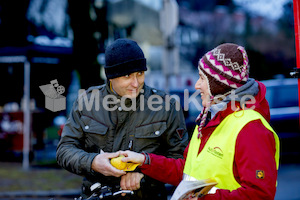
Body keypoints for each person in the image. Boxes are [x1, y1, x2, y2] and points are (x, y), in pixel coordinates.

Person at [119, 43, 280, 199]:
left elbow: (259, 195)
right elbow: (186, 171)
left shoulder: (251, 129)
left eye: (202, 78)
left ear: (219, 85)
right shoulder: (209, 119)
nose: (197, 85)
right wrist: (144, 160)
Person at [56, 38, 189, 200]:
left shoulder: (167, 107)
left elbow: (180, 160)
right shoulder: (86, 103)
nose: (135, 83)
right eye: (127, 76)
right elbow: (65, 150)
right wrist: (93, 162)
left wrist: (144, 176)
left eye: (140, 74)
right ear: (110, 76)